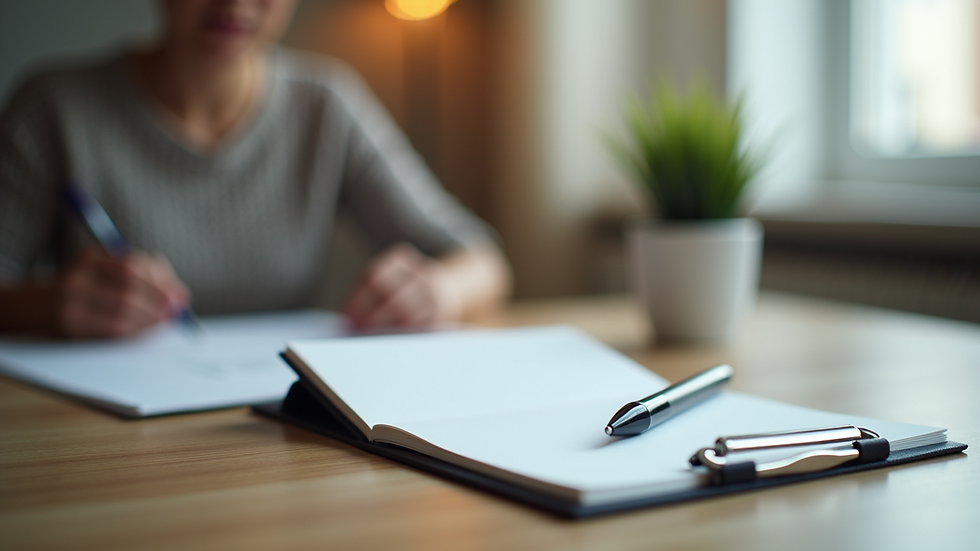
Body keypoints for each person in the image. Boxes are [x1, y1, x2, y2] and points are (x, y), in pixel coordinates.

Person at [0, 0, 510, 339]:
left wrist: (440, 291)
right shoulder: (54, 109)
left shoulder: (326, 105)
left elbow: (483, 262)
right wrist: (49, 305)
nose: (236, 1)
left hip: (276, 433)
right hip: (93, 441)